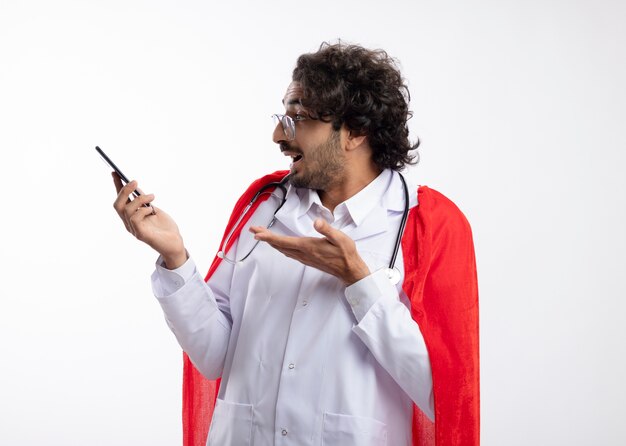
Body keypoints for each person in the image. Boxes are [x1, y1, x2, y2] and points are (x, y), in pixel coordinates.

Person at [112, 42, 479, 446]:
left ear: (355, 131)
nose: (277, 136)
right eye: (282, 116)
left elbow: (443, 395)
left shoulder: (429, 224)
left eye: (298, 118)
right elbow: (214, 356)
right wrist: (175, 256)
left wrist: (358, 280)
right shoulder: (264, 204)